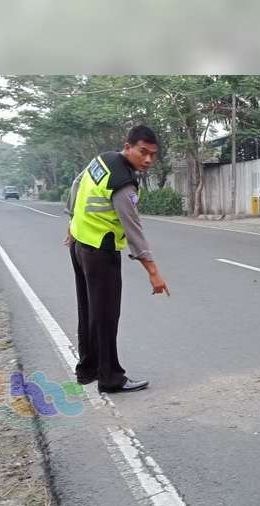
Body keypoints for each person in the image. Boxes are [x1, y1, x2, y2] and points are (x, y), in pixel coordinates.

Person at [66, 125, 169, 394]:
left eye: (153, 154)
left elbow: (77, 185)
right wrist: (153, 272)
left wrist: (72, 221)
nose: (148, 159)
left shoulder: (102, 160)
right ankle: (110, 378)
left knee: (89, 311)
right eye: (142, 152)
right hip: (100, 252)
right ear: (128, 147)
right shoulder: (123, 183)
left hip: (79, 244)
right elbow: (133, 229)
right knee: (106, 316)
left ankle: (87, 369)